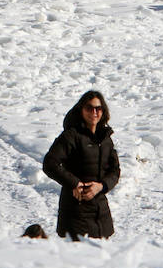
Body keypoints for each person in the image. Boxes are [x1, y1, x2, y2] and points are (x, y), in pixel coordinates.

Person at [42, 90, 120, 241]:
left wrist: (101, 186)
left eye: (98, 108)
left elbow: (115, 171)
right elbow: (50, 163)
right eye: (89, 108)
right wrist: (74, 183)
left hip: (101, 216)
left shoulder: (106, 139)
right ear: (81, 110)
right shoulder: (71, 136)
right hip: (75, 215)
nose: (94, 112)